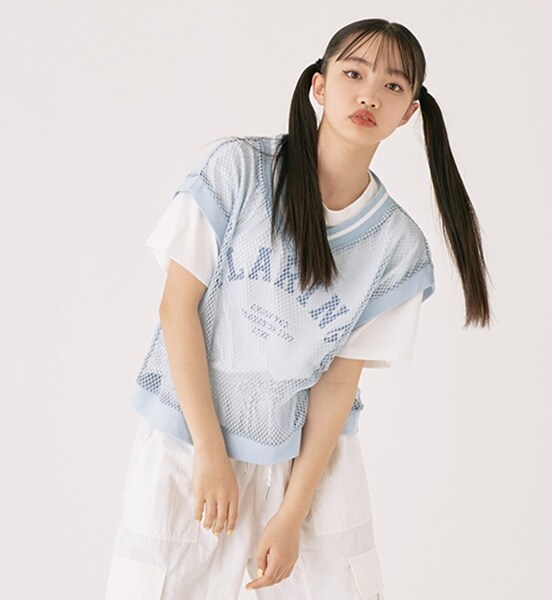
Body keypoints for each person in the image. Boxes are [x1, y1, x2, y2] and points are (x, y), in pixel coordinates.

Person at [104, 17, 491, 600]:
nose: (369, 95)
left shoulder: (396, 248)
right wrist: (210, 452)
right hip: (188, 442)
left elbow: (337, 384)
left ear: (409, 112)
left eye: (392, 85)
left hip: (309, 466)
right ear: (319, 85)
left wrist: (290, 513)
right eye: (354, 74)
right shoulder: (237, 170)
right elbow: (176, 309)